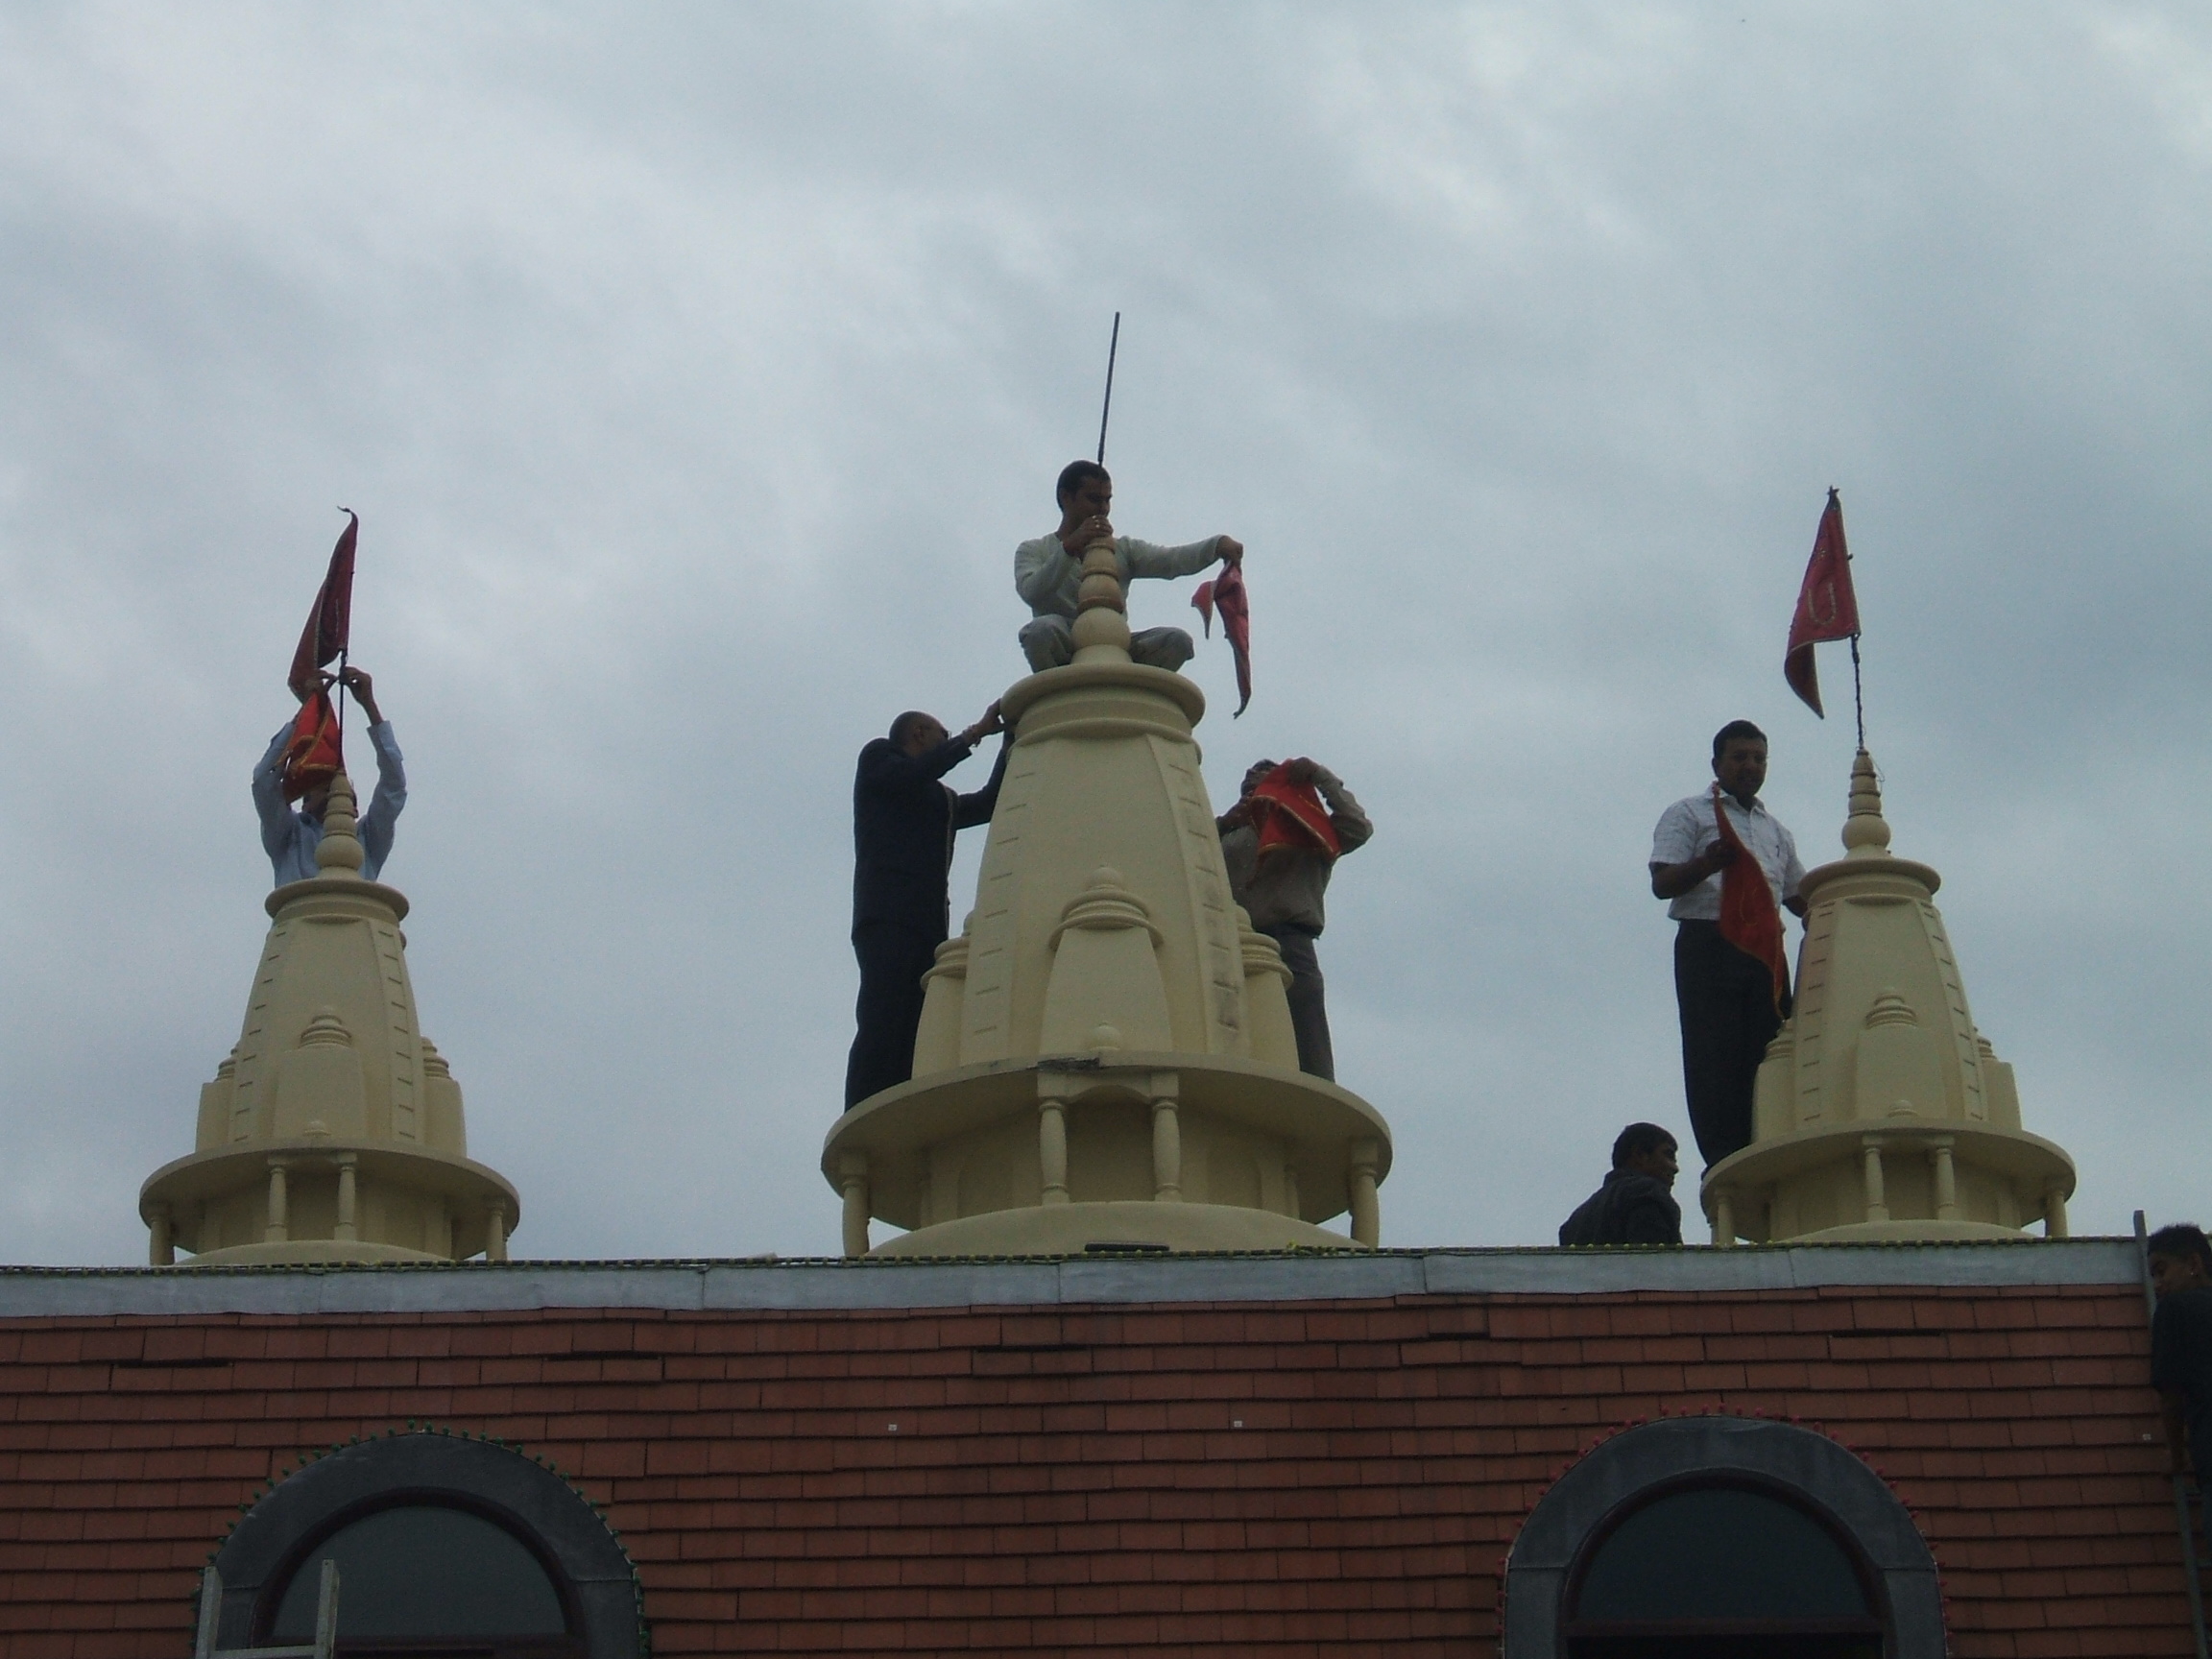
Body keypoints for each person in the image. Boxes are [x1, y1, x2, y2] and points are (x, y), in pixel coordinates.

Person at [1649, 720, 1807, 1167]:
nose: (1750, 766)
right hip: (1709, 942)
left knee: (1774, 1047)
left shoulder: (1776, 830)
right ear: (1717, 763)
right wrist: (1707, 862)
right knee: (1714, 1053)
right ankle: (1725, 1156)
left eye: (1759, 758)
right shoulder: (1689, 814)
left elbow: (1799, 899)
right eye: (1740, 757)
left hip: (1763, 951)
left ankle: (1772, 1139)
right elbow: (1663, 882)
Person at [846, 700, 1009, 1109]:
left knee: (916, 1021)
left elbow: (988, 803)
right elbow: (912, 773)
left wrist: (1013, 740)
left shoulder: (937, 800)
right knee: (883, 1015)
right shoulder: (879, 758)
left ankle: (898, 1101)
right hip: (886, 916)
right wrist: (976, 733)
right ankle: (865, 1107)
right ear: (919, 734)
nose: (948, 740)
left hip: (927, 924)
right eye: (943, 734)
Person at [1216, 757, 1371, 1080]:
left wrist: (1320, 777)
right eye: (1247, 780)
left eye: (1263, 777)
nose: (1252, 780)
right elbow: (1184, 857)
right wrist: (1225, 823)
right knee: (1222, 1032)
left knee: (1305, 1037)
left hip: (1288, 940)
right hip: (1228, 946)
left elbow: (1357, 826)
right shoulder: (1226, 837)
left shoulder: (1307, 833)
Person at [1015, 461, 1244, 672]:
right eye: (1094, 499)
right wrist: (1069, 548)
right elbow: (1032, 591)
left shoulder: (1124, 549)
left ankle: (1136, 696)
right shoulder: (1035, 550)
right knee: (1039, 632)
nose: (1103, 508)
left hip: (1115, 642)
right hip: (1062, 642)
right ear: (1066, 498)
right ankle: (1059, 695)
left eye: (1107, 500)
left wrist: (1216, 546)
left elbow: (1171, 560)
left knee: (1177, 642)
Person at [252, 666, 406, 886]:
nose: (336, 788)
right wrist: (304, 715)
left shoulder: (367, 839)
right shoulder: (290, 835)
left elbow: (394, 787)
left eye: (345, 789)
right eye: (324, 787)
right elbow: (262, 781)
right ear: (305, 805)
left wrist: (370, 706)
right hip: (300, 919)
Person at [2149, 1223, 2212, 1529]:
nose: (2157, 1285)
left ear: (2193, 1264)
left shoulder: (2174, 1310)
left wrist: (2176, 1456)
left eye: (2161, 1271)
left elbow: (2171, 1397)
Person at [1558, 1124, 1684, 1246]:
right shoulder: (1647, 1191)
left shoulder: (1574, 1223)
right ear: (1640, 1155)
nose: (1675, 1168)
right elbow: (1655, 1261)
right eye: (1669, 1155)